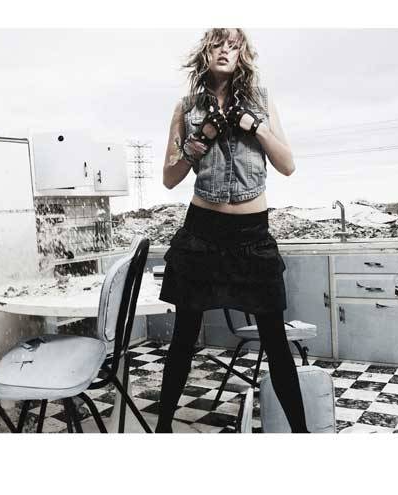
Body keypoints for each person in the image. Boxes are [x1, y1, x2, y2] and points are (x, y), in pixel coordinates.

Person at [156, 28, 310, 433]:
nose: (225, 51)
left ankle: (302, 435)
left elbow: (288, 164)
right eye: (218, 44)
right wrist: (198, 140)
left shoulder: (261, 100)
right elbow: (169, 178)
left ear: (243, 54)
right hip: (201, 234)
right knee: (184, 339)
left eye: (234, 46)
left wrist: (256, 127)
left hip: (251, 236)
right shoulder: (186, 107)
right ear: (205, 52)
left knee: (276, 343)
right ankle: (162, 430)